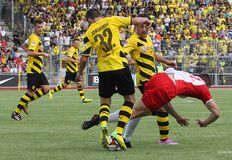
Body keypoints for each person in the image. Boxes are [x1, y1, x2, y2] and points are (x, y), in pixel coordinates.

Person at [82, 16, 178, 147]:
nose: (144, 29)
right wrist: (128, 59)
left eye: (146, 27)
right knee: (158, 108)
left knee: (140, 110)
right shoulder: (132, 40)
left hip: (151, 78)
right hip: (145, 80)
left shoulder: (148, 39)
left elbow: (152, 54)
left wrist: (167, 62)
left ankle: (108, 123)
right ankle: (163, 139)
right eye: (141, 26)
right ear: (135, 27)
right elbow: (123, 52)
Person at [76, 8, 150, 150]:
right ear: (100, 16)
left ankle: (103, 123)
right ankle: (118, 132)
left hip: (104, 70)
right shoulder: (112, 20)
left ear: (88, 20)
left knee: (105, 102)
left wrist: (79, 73)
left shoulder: (88, 34)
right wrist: (146, 21)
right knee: (130, 100)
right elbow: (137, 20)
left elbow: (84, 58)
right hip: (120, 65)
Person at [131, 68, 220, 131]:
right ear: (207, 83)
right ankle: (118, 134)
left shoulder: (186, 75)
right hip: (167, 85)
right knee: (135, 112)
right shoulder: (203, 87)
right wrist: (205, 123)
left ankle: (124, 137)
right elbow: (216, 113)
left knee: (143, 111)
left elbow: (166, 102)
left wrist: (178, 117)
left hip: (157, 77)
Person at [11, 19, 50, 121]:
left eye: (41, 27)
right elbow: (30, 53)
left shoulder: (34, 37)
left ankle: (26, 102)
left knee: (46, 89)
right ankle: (15, 112)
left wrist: (30, 51)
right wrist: (42, 54)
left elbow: (23, 45)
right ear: (34, 27)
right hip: (33, 70)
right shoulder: (34, 39)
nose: (40, 29)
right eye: (38, 27)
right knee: (30, 92)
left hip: (38, 70)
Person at [48, 38, 92, 103]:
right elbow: (68, 58)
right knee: (65, 85)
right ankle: (52, 91)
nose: (78, 44)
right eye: (76, 43)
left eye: (78, 43)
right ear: (73, 43)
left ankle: (83, 98)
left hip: (75, 71)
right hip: (70, 71)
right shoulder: (72, 49)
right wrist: (77, 61)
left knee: (79, 83)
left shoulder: (76, 50)